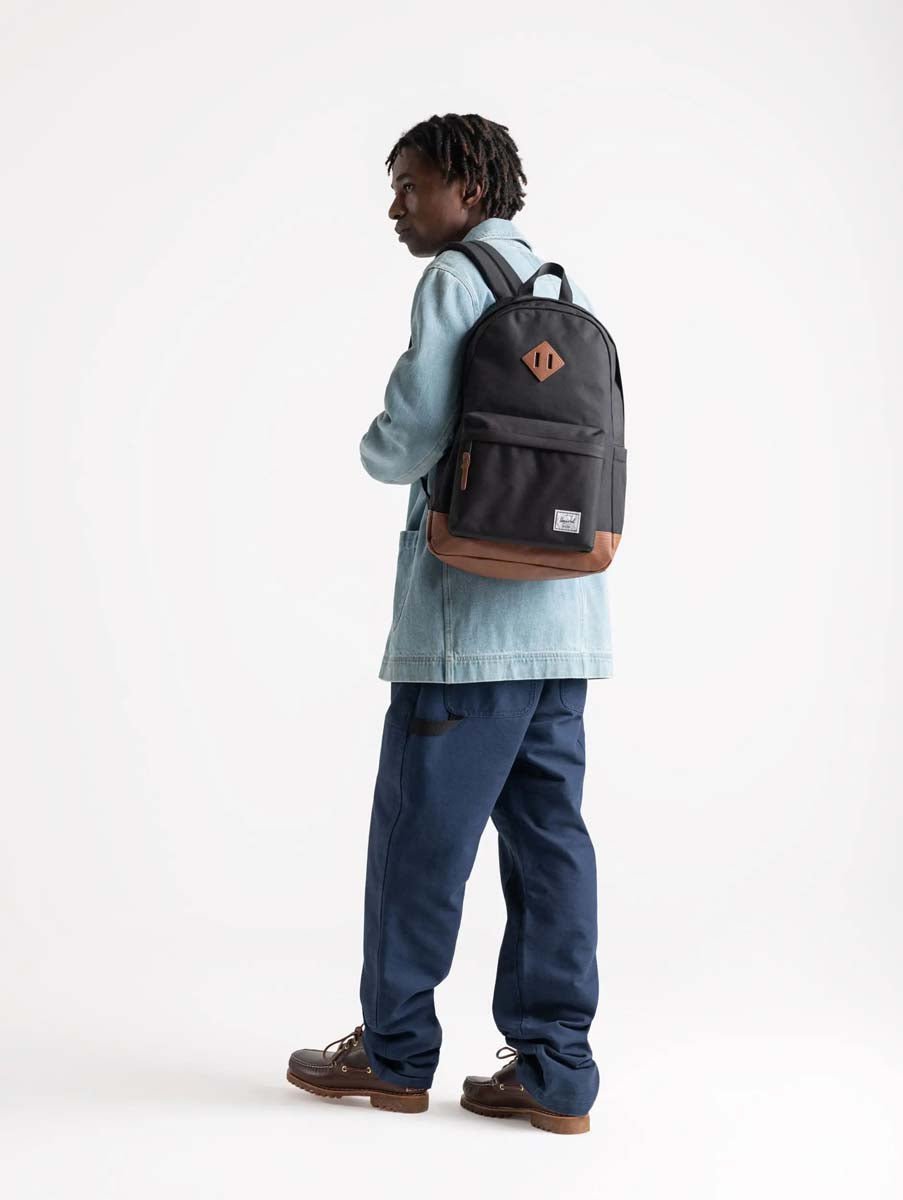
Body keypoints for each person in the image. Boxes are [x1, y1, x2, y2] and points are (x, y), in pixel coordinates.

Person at [286, 113, 614, 1135]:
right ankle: (557, 1072)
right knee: (551, 848)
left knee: (418, 845)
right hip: (566, 623)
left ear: (468, 190)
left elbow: (410, 435)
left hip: (467, 627)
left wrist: (375, 448)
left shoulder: (453, 281)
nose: (397, 206)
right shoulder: (564, 287)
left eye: (411, 185)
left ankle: (393, 1057)